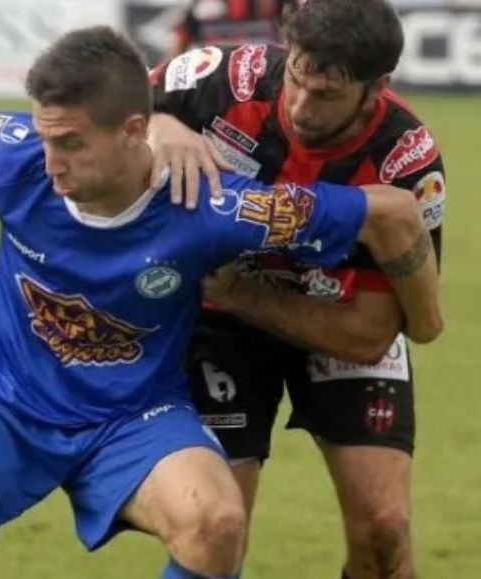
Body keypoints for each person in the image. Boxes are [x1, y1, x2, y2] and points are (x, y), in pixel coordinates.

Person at [0, 26, 441, 579]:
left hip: (132, 417)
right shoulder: (15, 151)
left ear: (133, 132)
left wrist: (429, 318)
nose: (50, 160)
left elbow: (393, 213)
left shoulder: (215, 207)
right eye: (45, 137)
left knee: (218, 523)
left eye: (70, 144)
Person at [148, 0, 446, 577]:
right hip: (219, 324)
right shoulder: (223, 77)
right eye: (297, 79)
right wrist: (160, 122)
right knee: (217, 530)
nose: (301, 106)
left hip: (331, 316)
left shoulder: (406, 159)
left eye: (327, 95)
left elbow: (370, 336)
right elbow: (112, 99)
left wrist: (243, 294)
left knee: (384, 532)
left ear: (377, 87)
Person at [168, 0, 298, 59]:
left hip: (263, 77)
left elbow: (295, 39)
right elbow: (179, 43)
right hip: (213, 79)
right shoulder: (199, 7)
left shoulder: (279, 5)